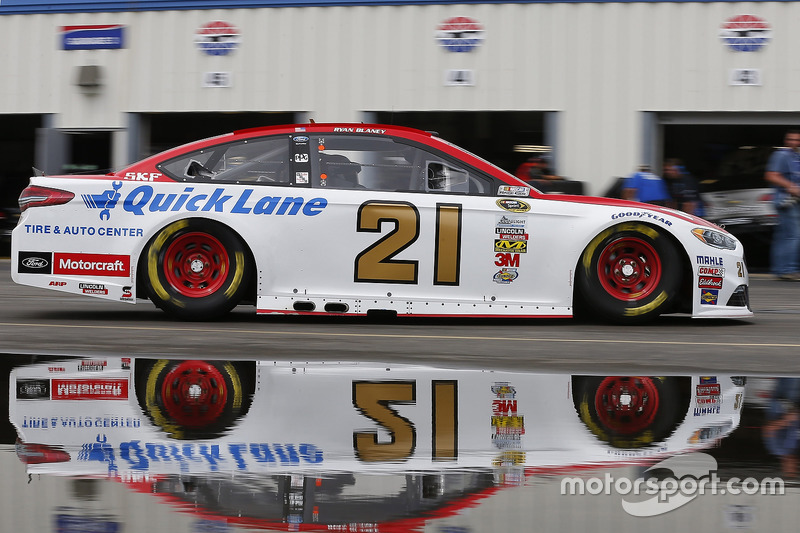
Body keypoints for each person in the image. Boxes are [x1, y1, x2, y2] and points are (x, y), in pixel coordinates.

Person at [764, 130, 800, 281]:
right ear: (786, 140)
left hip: (792, 201)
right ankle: (788, 269)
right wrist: (791, 186)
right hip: (787, 201)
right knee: (793, 236)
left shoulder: (795, 157)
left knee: (783, 237)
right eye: (790, 139)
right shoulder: (782, 155)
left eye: (797, 140)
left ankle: (781, 270)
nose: (793, 142)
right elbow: (771, 175)